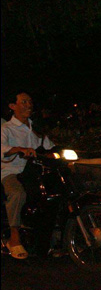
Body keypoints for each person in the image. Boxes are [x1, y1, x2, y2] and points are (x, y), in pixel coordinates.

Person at [1, 90, 55, 260]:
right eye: (23, 102)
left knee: (54, 194)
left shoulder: (36, 128)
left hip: (35, 172)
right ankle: (14, 237)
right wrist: (18, 149)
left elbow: (49, 147)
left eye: (30, 102)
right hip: (13, 172)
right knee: (17, 193)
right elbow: (2, 148)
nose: (29, 105)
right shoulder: (6, 129)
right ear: (12, 106)